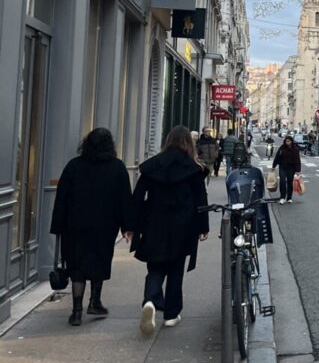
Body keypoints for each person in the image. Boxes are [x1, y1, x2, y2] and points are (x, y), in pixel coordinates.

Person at [127, 126, 209, 335]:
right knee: (175, 269)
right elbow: (201, 199)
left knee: (155, 266)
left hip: (155, 222)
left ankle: (151, 301)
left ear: (168, 141)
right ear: (188, 144)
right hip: (183, 225)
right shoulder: (193, 168)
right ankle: (171, 314)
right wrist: (203, 227)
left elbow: (138, 198)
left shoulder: (152, 166)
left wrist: (131, 226)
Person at [50, 128, 132, 326]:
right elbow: (125, 200)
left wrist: (58, 226)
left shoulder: (74, 166)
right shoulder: (117, 168)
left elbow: (62, 198)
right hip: (104, 226)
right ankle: (95, 301)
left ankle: (76, 311)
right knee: (99, 261)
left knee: (77, 266)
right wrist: (127, 226)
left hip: (75, 225)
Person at [272, 135, 302, 204]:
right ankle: (282, 197)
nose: (287, 142)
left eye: (288, 141)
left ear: (291, 141)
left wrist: (298, 170)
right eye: (286, 141)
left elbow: (297, 160)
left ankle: (289, 197)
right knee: (282, 181)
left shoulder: (295, 149)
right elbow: (277, 157)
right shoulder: (282, 148)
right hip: (282, 167)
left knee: (289, 182)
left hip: (291, 168)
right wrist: (274, 166)